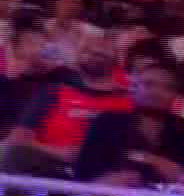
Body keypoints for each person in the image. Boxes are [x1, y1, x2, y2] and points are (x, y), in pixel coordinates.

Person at [5, 36, 131, 175]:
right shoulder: (54, 91)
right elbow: (17, 138)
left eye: (101, 53)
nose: (93, 56)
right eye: (87, 51)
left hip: (106, 172)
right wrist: (59, 152)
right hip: (51, 165)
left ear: (116, 60)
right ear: (78, 57)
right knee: (15, 154)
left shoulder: (128, 99)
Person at [74, 60, 184, 186]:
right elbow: (86, 169)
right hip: (104, 192)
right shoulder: (109, 121)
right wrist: (150, 159)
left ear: (175, 96)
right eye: (148, 84)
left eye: (167, 88)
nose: (156, 92)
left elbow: (182, 174)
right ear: (134, 89)